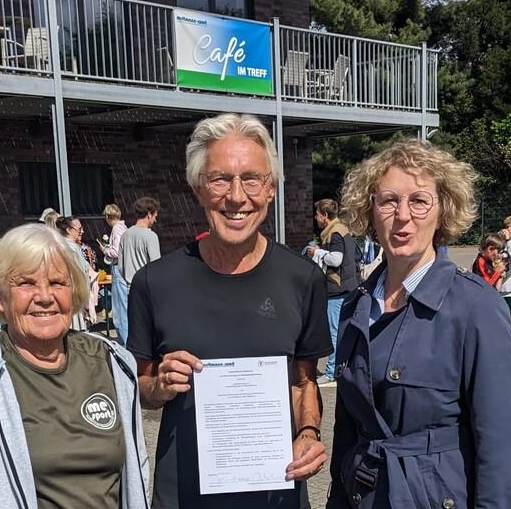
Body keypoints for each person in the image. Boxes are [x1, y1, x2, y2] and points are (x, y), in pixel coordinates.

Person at [127, 113, 331, 509]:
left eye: (252, 179)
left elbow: (303, 381)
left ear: (270, 189)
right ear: (198, 188)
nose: (237, 196)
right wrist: (160, 385)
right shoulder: (154, 283)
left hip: (275, 493)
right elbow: (142, 388)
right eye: (220, 179)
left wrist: (308, 433)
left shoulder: (303, 280)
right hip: (184, 495)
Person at [326, 140, 511, 509]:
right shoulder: (357, 305)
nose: (402, 215)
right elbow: (346, 432)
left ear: (442, 212)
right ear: (369, 211)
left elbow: (499, 448)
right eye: (388, 201)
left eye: (419, 201)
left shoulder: (475, 307)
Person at [0, 224, 149, 509]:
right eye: (27, 283)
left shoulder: (113, 362)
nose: (44, 296)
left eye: (57, 282)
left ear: (74, 291)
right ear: (1, 297)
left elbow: (136, 470)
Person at [305, 198, 359, 387]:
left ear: (325, 216)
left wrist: (316, 253)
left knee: (334, 332)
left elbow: (336, 260)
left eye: (317, 214)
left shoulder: (334, 233)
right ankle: (340, 368)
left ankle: (331, 371)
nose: (315, 218)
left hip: (337, 289)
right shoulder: (340, 230)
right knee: (343, 330)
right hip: (348, 287)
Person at [118, 196, 161, 342]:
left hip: (130, 289)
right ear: (149, 214)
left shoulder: (125, 235)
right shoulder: (150, 236)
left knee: (136, 330)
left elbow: (121, 267)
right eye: (155, 216)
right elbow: (157, 267)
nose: (155, 220)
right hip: (149, 290)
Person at [58, 215, 99, 329]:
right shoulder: (69, 247)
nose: (82, 232)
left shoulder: (66, 245)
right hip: (73, 295)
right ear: (69, 230)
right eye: (79, 229)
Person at [101, 204, 129, 345]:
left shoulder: (117, 229)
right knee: (123, 306)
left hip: (118, 268)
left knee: (119, 308)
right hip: (123, 268)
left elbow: (117, 252)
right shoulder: (124, 228)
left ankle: (125, 342)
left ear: (108, 216)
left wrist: (105, 250)